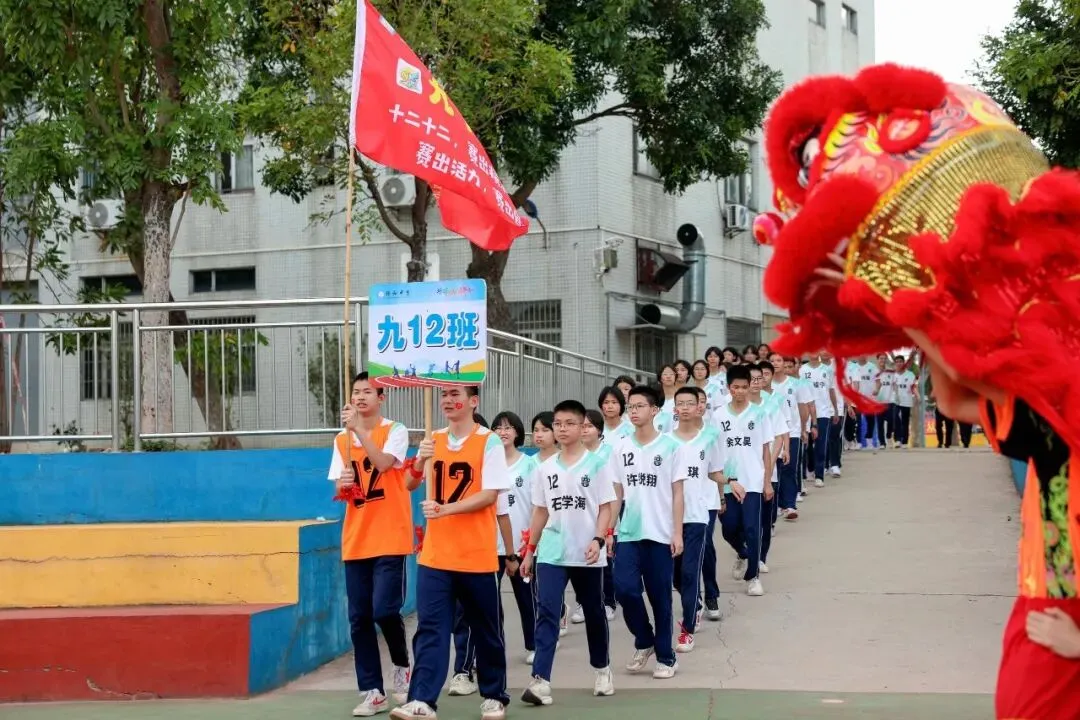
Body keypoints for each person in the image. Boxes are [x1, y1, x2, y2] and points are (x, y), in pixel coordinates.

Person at [390, 386, 511, 720]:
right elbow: (410, 484)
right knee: (430, 628)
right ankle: (422, 700)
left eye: (454, 393)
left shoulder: (488, 442)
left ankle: (494, 694)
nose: (446, 400)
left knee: (485, 628)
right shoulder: (434, 439)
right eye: (443, 395)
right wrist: (420, 459)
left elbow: (489, 495)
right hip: (436, 555)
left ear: (473, 401)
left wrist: (446, 510)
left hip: (476, 554)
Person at [330, 373, 418, 717]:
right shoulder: (340, 439)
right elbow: (340, 488)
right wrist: (344, 481)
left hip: (390, 535)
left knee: (385, 610)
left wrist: (360, 432)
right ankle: (372, 690)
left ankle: (402, 664)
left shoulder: (395, 431)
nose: (361, 396)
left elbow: (383, 464)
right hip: (357, 537)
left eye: (368, 391)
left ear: (381, 397)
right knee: (359, 617)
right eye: (356, 392)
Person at [520, 400, 617, 705]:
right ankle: (540, 680)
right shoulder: (544, 468)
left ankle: (602, 669)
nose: (562, 429)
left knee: (594, 611)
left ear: (582, 426)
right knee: (548, 611)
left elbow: (605, 507)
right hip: (551, 552)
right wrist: (529, 551)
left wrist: (599, 539)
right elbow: (540, 511)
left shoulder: (598, 464)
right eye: (557, 424)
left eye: (569, 424)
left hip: (587, 552)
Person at [607, 384, 685, 678]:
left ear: (655, 411)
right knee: (625, 589)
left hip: (660, 533)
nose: (634, 411)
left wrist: (677, 533)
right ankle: (644, 639)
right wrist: (609, 530)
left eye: (640, 406)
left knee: (660, 597)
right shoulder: (621, 447)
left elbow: (678, 493)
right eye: (631, 407)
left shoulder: (670, 446)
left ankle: (666, 657)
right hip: (628, 532)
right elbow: (616, 493)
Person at [669, 385, 724, 652]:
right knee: (676, 577)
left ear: (699, 407)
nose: (685, 407)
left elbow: (715, 472)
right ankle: (696, 603)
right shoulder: (665, 441)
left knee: (691, 573)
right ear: (674, 409)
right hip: (668, 519)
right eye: (681, 403)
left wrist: (730, 484)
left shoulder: (709, 438)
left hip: (697, 515)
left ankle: (687, 628)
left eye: (690, 403)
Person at [716, 365, 774, 597]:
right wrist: (718, 487)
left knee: (752, 528)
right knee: (729, 529)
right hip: (728, 481)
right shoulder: (718, 415)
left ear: (750, 387)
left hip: (752, 480)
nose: (740, 391)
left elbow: (766, 451)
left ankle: (753, 577)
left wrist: (767, 482)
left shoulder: (759, 414)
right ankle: (742, 553)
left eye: (744, 387)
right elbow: (714, 454)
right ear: (729, 388)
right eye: (735, 387)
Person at [491, 411, 539, 665]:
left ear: (518, 432)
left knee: (526, 598)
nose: (503, 432)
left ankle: (534, 644)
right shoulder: (487, 463)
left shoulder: (529, 464)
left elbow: (537, 506)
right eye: (498, 427)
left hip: (521, 545)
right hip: (491, 544)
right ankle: (494, 646)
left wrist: (532, 543)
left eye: (508, 427)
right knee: (490, 601)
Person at [769, 353, 810, 520]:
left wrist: (803, 429)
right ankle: (777, 504)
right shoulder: (766, 385)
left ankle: (790, 505)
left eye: (779, 360)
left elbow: (802, 408)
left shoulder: (796, 384)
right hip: (771, 435)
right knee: (774, 470)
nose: (776, 363)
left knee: (789, 467)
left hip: (792, 432)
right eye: (772, 361)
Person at [800, 353, 836, 487]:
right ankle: (810, 468)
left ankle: (819, 475)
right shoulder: (802, 370)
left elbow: (831, 390)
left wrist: (835, 410)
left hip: (823, 411)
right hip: (806, 411)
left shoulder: (827, 370)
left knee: (821, 443)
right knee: (807, 443)